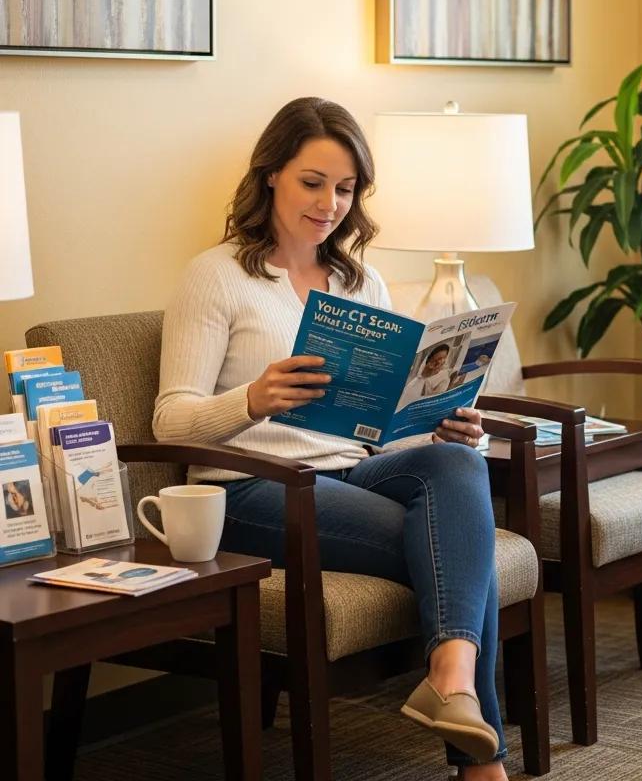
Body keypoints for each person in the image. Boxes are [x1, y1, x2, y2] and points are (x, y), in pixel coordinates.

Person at [153, 97, 509, 780]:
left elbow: (379, 430)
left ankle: (453, 683)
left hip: (349, 471)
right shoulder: (217, 276)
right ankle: (477, 755)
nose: (330, 203)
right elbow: (170, 422)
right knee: (464, 548)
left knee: (461, 467)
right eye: (313, 183)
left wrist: (438, 426)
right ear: (270, 177)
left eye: (345, 189)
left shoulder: (361, 281)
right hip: (255, 489)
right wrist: (253, 398)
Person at [397, 343, 453, 410]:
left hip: (420, 406)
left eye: (444, 358)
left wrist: (426, 380)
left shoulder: (444, 378)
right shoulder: (423, 373)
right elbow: (418, 379)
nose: (441, 361)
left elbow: (434, 401)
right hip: (412, 389)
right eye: (438, 359)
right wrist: (426, 373)